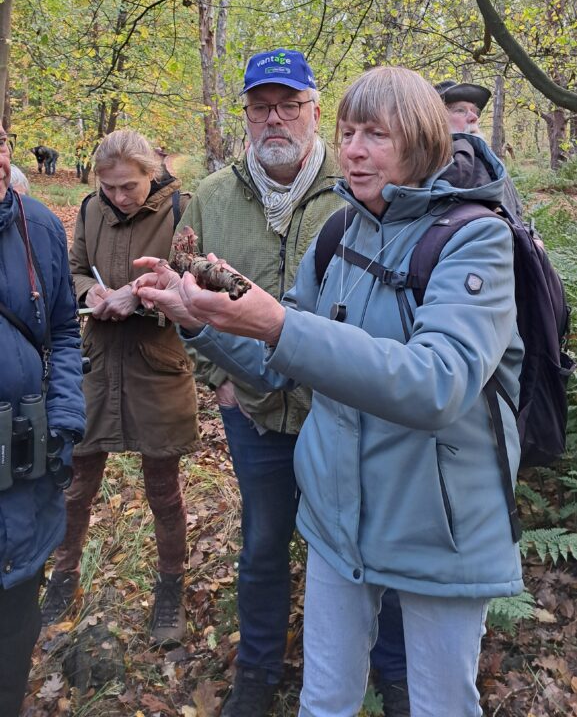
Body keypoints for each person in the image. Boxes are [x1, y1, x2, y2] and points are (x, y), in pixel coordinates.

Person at [134, 66, 524, 717]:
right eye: (347, 132)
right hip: (336, 518)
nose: (353, 149)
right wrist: (196, 319)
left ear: (422, 141)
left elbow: (438, 384)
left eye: (375, 133)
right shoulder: (340, 235)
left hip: (438, 525)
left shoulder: (474, 238)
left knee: (438, 706)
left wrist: (278, 323)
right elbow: (276, 365)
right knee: (323, 700)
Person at [41, 129, 200, 645]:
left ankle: (170, 590)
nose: (119, 197)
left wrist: (142, 293)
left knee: (163, 490)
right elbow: (72, 272)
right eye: (109, 188)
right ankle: (62, 579)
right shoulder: (90, 209)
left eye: (128, 186)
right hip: (95, 362)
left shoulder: (182, 210)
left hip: (157, 364)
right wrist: (99, 292)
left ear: (152, 172)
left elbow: (195, 280)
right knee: (76, 483)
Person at [0, 124, 85, 717]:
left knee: (13, 627)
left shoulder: (42, 228)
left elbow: (61, 331)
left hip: (22, 477)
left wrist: (63, 421)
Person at [435, 79, 523, 219]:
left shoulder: (492, 162)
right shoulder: (429, 164)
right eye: (460, 110)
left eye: (474, 111)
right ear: (436, 120)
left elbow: (517, 215)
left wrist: (533, 236)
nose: (474, 117)